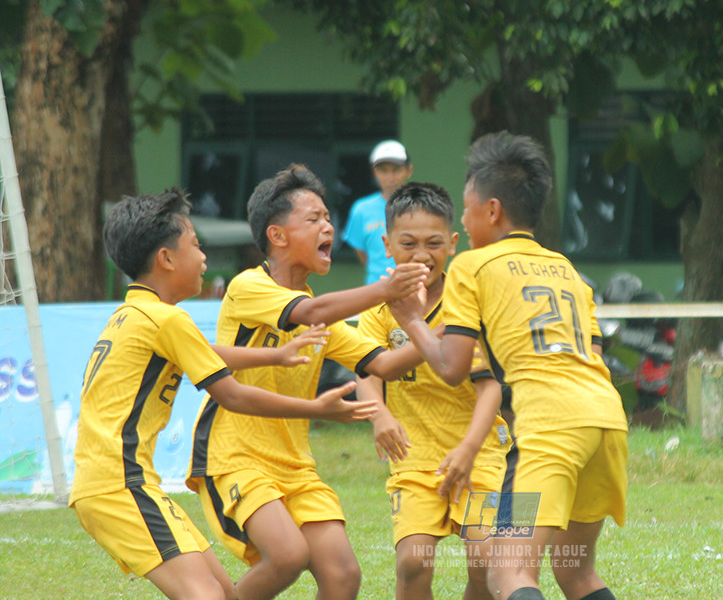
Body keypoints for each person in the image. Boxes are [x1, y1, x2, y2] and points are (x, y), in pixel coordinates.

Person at [69, 189, 378, 600]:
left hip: (126, 483)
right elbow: (233, 396)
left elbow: (208, 352)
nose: (204, 259)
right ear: (166, 259)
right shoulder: (168, 319)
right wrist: (316, 408)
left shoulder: (134, 314)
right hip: (119, 484)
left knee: (226, 595)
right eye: (196, 246)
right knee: (207, 596)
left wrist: (273, 355)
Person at [388, 132, 628, 600]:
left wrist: (413, 322)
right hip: (605, 420)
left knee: (509, 574)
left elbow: (452, 366)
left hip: (548, 428)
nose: (463, 217)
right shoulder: (566, 270)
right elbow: (593, 356)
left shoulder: (472, 266)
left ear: (492, 210)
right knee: (577, 574)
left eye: (467, 207)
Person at [187, 164, 430, 600]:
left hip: (296, 464)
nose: (329, 228)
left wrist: (447, 326)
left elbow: (385, 366)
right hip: (236, 456)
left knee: (343, 576)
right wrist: (388, 289)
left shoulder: (323, 314)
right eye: (313, 219)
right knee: (286, 556)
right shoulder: (249, 287)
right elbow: (311, 314)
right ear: (277, 236)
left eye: (328, 219)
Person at [355, 182, 511, 600]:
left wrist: (469, 449)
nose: (421, 254)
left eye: (433, 243)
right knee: (412, 562)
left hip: (482, 452)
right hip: (415, 457)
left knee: (487, 561)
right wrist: (379, 415)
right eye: (408, 243)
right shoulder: (377, 309)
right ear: (387, 245)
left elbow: (490, 386)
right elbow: (365, 370)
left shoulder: (470, 302)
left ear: (453, 244)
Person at [343, 139, 414, 285]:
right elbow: (363, 254)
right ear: (375, 172)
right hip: (375, 292)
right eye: (383, 171)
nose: (390, 177)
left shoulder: (421, 206)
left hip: (414, 286)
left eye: (396, 170)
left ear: (409, 170)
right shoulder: (361, 209)